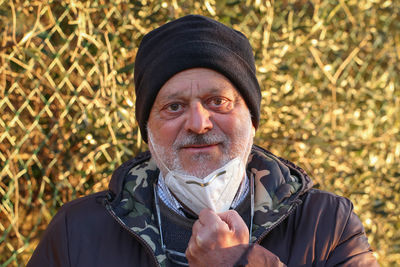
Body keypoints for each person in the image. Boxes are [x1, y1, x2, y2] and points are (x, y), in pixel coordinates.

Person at [27, 15, 378, 267]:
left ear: (252, 118)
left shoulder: (326, 224)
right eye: (174, 106)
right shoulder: (78, 232)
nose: (198, 123)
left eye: (218, 102)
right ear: (147, 129)